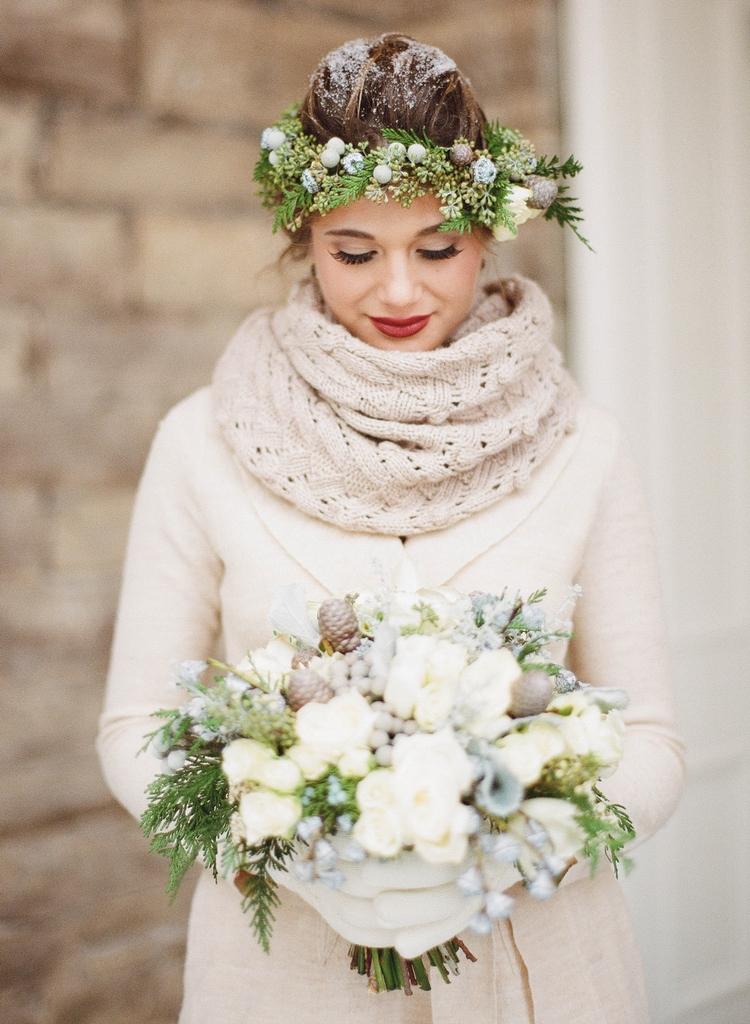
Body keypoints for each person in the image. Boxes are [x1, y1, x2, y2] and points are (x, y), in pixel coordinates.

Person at [96, 32, 686, 1024]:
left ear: (489, 237)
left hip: (541, 974)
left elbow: (655, 743)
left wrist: (510, 843)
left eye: (437, 249)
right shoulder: (202, 441)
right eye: (355, 252)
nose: (400, 291)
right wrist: (294, 848)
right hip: (281, 980)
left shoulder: (588, 446)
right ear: (303, 239)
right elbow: (134, 729)